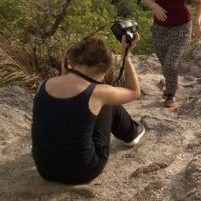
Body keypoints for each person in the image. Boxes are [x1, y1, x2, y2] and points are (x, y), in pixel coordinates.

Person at [31, 35, 144, 185]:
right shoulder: (99, 92)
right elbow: (134, 92)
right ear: (102, 67)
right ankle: (131, 133)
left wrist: (67, 64)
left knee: (76, 108)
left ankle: (131, 132)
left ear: (73, 62)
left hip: (44, 170)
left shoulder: (44, 85)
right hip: (83, 172)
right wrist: (126, 56)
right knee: (106, 102)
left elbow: (67, 93)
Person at [142, 0, 201, 108]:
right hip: (159, 27)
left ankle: (170, 94)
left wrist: (197, 22)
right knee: (165, 63)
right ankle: (173, 82)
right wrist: (154, 6)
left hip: (181, 27)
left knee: (171, 63)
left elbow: (199, 2)